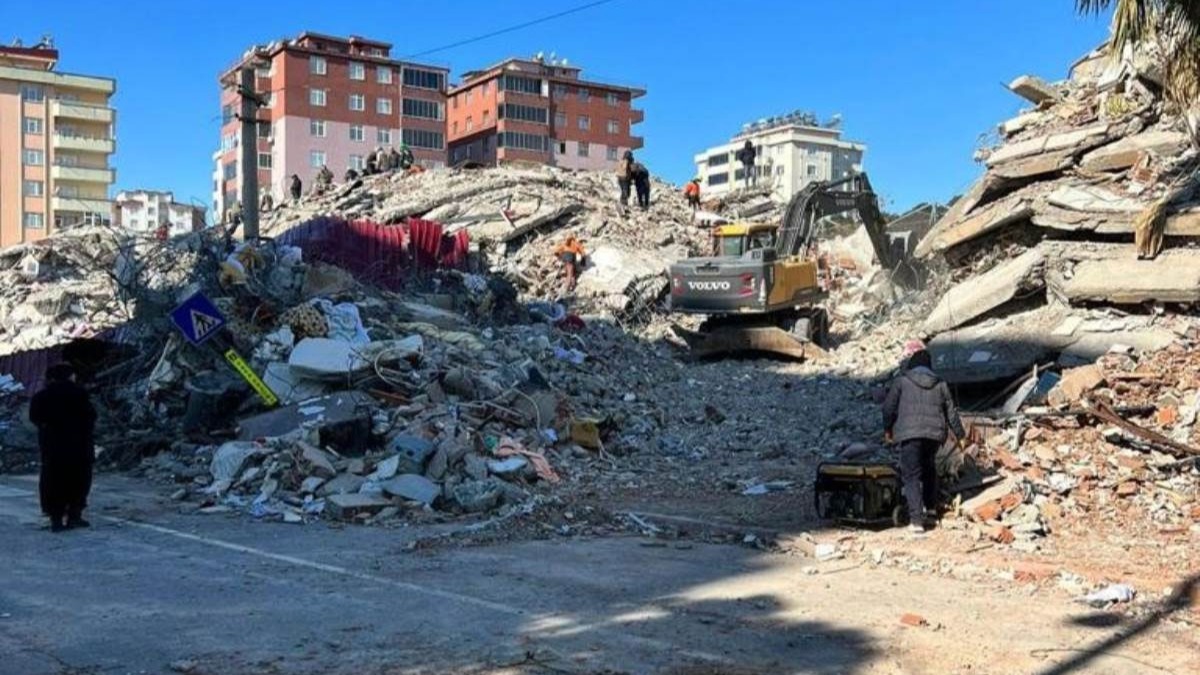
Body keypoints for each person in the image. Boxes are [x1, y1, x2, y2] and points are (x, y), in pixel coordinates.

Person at [882, 349, 966, 533]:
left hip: (910, 435)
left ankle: (916, 520)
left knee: (911, 475)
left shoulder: (902, 381)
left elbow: (888, 408)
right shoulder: (940, 384)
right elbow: (951, 412)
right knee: (929, 469)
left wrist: (888, 429)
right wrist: (960, 435)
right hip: (934, 436)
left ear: (912, 365)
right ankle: (932, 510)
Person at [29, 364, 97, 532]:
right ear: (69, 376)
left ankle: (56, 520)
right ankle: (74, 516)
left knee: (53, 482)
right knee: (79, 480)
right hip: (79, 447)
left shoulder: (41, 396)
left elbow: (35, 417)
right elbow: (91, 416)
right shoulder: (80, 394)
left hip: (53, 448)